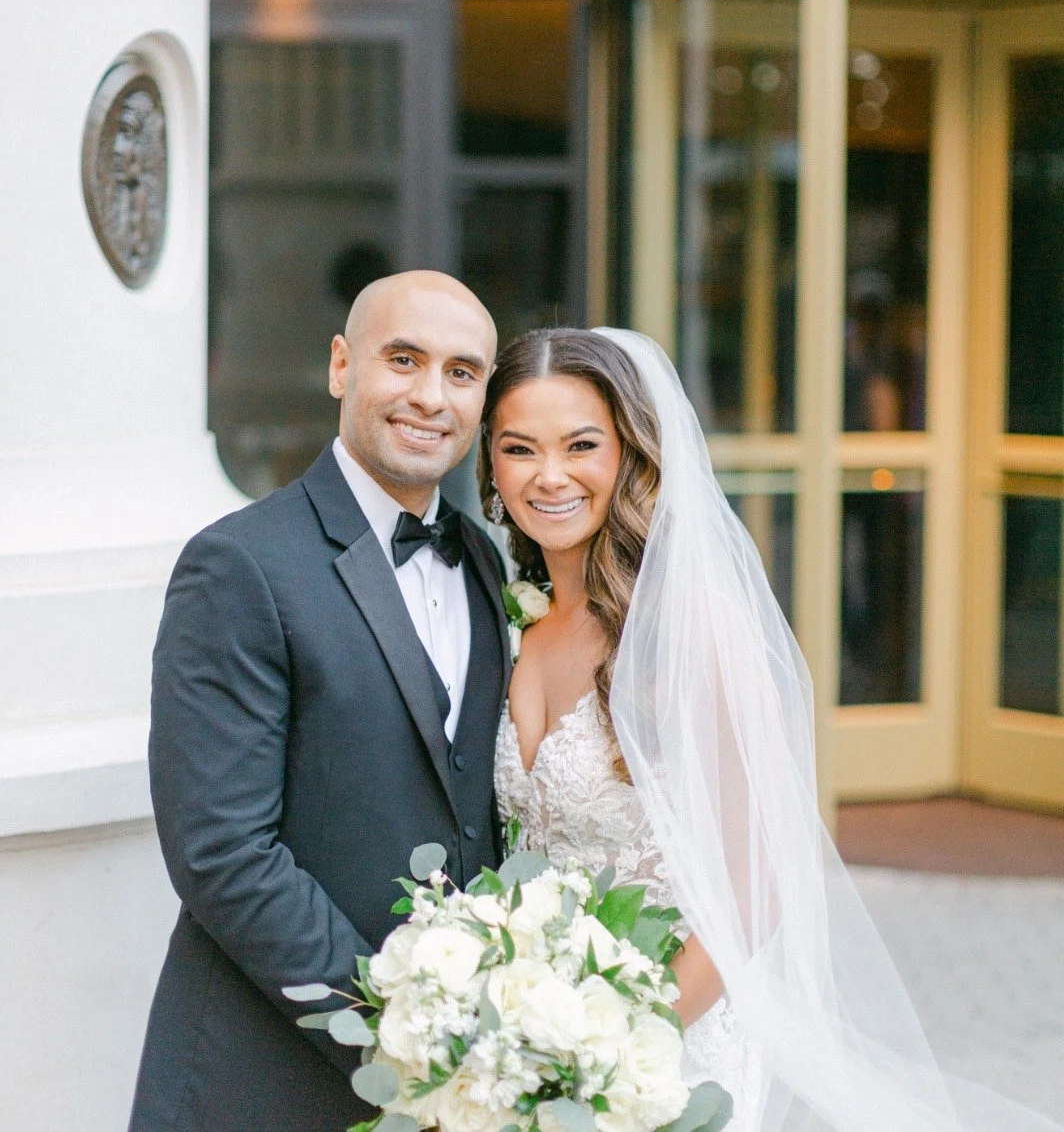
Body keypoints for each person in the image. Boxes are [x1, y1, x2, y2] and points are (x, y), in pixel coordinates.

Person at [483, 326, 1064, 1132]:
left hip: (667, 1047)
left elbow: (756, 892)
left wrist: (613, 1050)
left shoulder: (693, 630)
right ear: (489, 464)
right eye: (519, 449)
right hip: (528, 1038)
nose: (550, 476)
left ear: (633, 455)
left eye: (582, 444)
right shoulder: (514, 624)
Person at [130, 271, 509, 1132]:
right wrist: (399, 1036)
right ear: (342, 365)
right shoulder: (240, 565)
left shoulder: (483, 563)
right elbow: (222, 851)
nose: (429, 396)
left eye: (461, 372)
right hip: (264, 1078)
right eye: (402, 359)